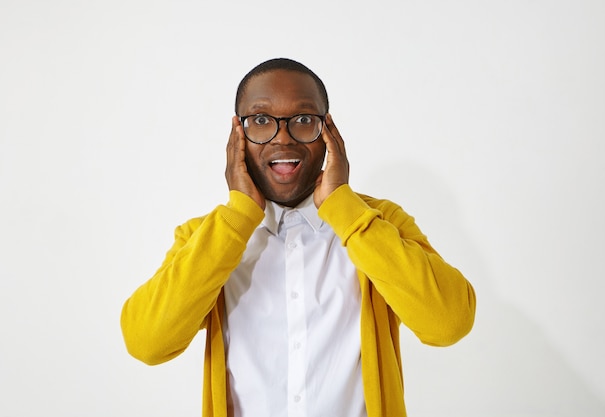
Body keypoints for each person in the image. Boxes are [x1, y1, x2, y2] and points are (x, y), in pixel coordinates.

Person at [121, 58, 476, 417]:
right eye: (261, 121)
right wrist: (237, 217)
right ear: (237, 137)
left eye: (304, 120)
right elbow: (147, 343)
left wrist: (343, 207)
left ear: (329, 132)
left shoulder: (378, 223)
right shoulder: (206, 236)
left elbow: (448, 323)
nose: (283, 137)